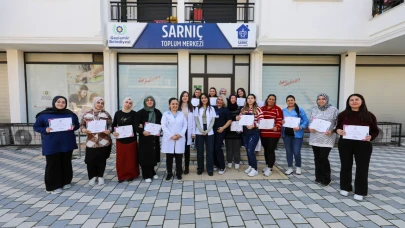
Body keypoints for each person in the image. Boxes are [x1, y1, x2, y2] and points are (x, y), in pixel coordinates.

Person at [335, 94, 379, 201]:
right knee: (345, 166)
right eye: (351, 100)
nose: (354, 102)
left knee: (362, 168)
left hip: (363, 145)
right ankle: (345, 187)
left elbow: (375, 130)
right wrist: (339, 131)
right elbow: (337, 127)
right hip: (345, 144)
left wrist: (371, 137)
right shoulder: (343, 115)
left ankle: (360, 191)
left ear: (362, 101)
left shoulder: (369, 115)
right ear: (348, 102)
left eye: (356, 100)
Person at [33, 96, 80, 194]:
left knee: (66, 163)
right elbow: (36, 126)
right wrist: (44, 130)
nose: (61, 104)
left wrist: (74, 126)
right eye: (58, 102)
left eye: (63, 102)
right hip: (52, 144)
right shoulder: (44, 115)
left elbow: (77, 125)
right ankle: (52, 186)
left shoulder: (70, 114)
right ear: (54, 102)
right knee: (53, 164)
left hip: (67, 143)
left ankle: (66, 181)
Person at [80, 97, 112, 186]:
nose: (100, 105)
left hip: (103, 141)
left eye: (102, 103)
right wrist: (83, 130)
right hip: (91, 142)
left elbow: (110, 125)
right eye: (98, 102)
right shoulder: (87, 115)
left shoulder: (106, 115)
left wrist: (109, 130)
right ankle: (92, 177)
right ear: (94, 103)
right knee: (90, 160)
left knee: (101, 160)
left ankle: (100, 176)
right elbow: (81, 125)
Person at [308, 93, 339, 186]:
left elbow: (339, 123)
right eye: (319, 99)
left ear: (327, 100)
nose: (321, 100)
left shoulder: (334, 110)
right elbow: (311, 121)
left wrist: (333, 130)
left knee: (323, 157)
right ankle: (318, 177)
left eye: (323, 99)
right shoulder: (314, 109)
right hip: (315, 137)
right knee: (317, 158)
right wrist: (310, 127)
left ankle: (326, 178)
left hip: (327, 137)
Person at [112, 97, 139, 183]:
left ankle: (131, 175)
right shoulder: (118, 113)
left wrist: (140, 126)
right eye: (126, 102)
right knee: (121, 159)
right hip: (120, 140)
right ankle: (121, 175)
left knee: (131, 159)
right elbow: (113, 125)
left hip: (131, 140)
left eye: (130, 103)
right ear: (123, 103)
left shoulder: (134, 114)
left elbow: (136, 126)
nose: (128, 104)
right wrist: (113, 132)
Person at [136, 96, 162, 183]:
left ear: (154, 102)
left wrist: (160, 129)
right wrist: (142, 131)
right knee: (145, 156)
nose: (149, 102)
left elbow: (161, 124)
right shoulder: (140, 113)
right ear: (145, 102)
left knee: (153, 155)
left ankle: (152, 171)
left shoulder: (157, 112)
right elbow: (136, 126)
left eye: (151, 100)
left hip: (154, 137)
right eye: (147, 100)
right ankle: (146, 175)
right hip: (145, 138)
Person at [236, 94, 263, 177]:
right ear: (246, 100)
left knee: (251, 150)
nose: (250, 100)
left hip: (254, 132)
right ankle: (250, 166)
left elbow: (261, 121)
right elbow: (239, 118)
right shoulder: (243, 109)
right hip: (245, 132)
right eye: (249, 98)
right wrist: (238, 117)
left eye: (252, 98)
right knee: (248, 150)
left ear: (254, 100)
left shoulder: (258, 109)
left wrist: (253, 125)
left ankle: (255, 169)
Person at [162, 98, 188, 182]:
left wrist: (180, 134)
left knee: (179, 158)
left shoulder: (181, 114)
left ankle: (178, 173)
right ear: (169, 105)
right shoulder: (166, 114)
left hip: (179, 138)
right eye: (173, 104)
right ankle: (169, 173)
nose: (175, 105)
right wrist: (171, 136)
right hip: (169, 139)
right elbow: (164, 126)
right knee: (169, 158)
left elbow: (185, 125)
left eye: (176, 104)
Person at [282, 95, 308, 175]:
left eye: (292, 100)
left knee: (296, 152)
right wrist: (281, 122)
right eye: (288, 100)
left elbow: (306, 120)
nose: (290, 102)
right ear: (286, 102)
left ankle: (298, 167)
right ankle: (290, 167)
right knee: (288, 151)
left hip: (297, 135)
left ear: (294, 101)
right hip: (286, 134)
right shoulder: (283, 110)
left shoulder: (300, 110)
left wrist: (300, 127)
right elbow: (280, 120)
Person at [260, 94, 283, 177]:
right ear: (267, 99)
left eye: (273, 99)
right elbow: (259, 119)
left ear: (275, 101)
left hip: (274, 133)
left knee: (270, 150)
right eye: (270, 99)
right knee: (266, 149)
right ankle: (267, 165)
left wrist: (277, 127)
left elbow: (280, 120)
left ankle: (270, 168)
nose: (271, 101)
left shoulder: (277, 109)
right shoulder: (262, 109)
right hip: (264, 133)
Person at [194, 93, 216, 176]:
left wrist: (207, 130)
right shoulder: (197, 108)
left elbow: (212, 121)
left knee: (209, 151)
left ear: (208, 99)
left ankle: (209, 169)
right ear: (200, 99)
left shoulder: (211, 108)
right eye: (202, 98)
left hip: (209, 131)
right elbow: (196, 120)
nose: (204, 99)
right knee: (200, 151)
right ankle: (200, 168)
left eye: (205, 98)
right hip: (199, 130)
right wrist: (201, 130)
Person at [213, 95, 232, 175]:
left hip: (220, 131)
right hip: (212, 131)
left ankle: (222, 167)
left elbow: (229, 120)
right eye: (218, 99)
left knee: (218, 148)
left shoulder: (225, 110)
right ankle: (216, 164)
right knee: (212, 148)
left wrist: (223, 128)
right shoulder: (213, 108)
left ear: (223, 101)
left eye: (221, 100)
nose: (219, 101)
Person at [179, 91, 195, 175]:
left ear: (189, 98)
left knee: (187, 150)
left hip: (188, 131)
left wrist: (193, 132)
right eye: (183, 96)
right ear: (181, 97)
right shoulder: (177, 107)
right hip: (179, 132)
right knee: (179, 150)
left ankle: (187, 167)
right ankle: (180, 166)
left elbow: (193, 122)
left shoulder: (191, 108)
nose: (185, 97)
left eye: (186, 96)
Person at [225, 94, 242, 169]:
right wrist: (235, 118)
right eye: (231, 98)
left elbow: (241, 118)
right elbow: (225, 118)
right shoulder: (226, 108)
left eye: (234, 98)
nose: (233, 99)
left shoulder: (239, 108)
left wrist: (239, 118)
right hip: (228, 130)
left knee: (237, 148)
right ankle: (229, 161)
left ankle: (237, 162)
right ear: (229, 99)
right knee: (229, 148)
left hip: (237, 130)